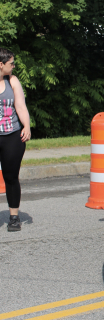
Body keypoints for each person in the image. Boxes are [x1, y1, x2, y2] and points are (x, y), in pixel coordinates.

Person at [0, 48, 31, 232]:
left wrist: (26, 125)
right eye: (11, 63)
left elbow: (20, 105)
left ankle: (14, 217)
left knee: (11, 177)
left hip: (12, 136)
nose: (14, 66)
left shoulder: (12, 81)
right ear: (1, 64)